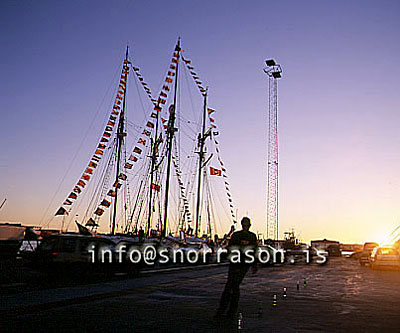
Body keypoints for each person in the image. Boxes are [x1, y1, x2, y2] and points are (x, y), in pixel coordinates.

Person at [215, 217, 258, 318]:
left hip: (240, 264)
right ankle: (228, 310)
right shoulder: (248, 236)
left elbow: (253, 251)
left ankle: (225, 310)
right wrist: (254, 265)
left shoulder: (241, 236)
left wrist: (254, 264)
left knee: (232, 285)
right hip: (240, 264)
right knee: (233, 286)